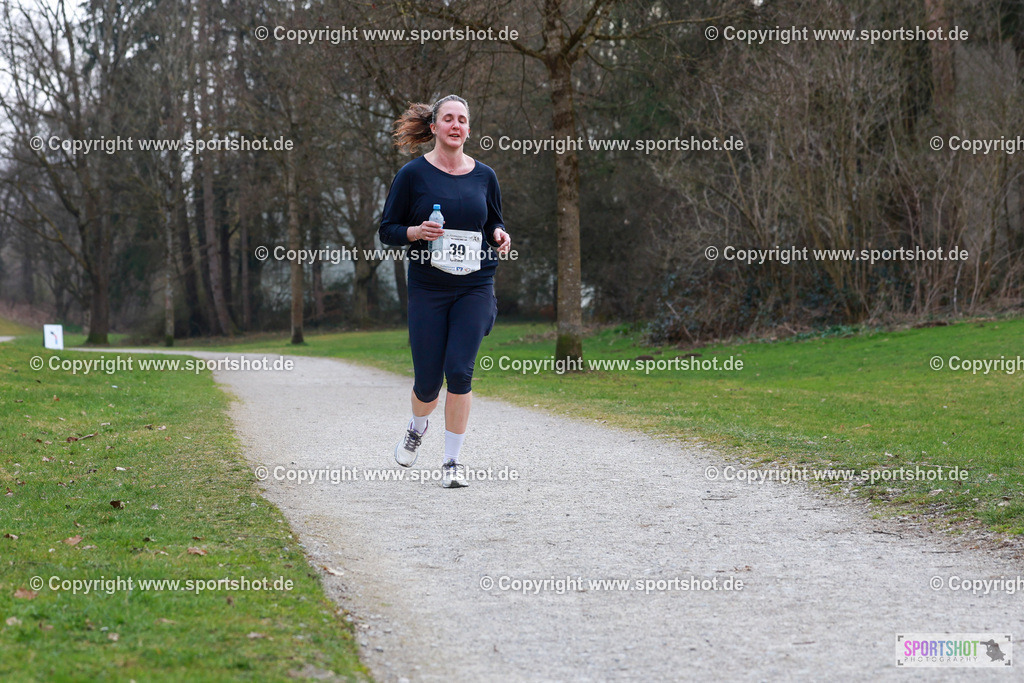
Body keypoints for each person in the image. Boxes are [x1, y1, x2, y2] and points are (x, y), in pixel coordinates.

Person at [379, 94, 511, 488]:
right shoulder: (412, 176)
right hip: (428, 287)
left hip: (474, 284)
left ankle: (452, 463)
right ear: (434, 127)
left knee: (460, 370)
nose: (456, 126)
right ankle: (417, 428)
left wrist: (500, 235)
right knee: (427, 382)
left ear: (469, 129)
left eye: (463, 120)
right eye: (448, 119)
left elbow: (494, 224)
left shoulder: (485, 175)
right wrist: (416, 232)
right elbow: (387, 230)